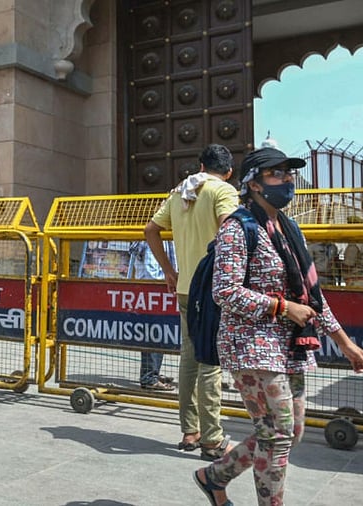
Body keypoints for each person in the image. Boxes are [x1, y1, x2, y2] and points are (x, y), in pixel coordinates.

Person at [192, 147, 363, 506]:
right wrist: (281, 306)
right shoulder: (237, 227)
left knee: (291, 432)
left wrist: (345, 343)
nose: (286, 180)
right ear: (253, 183)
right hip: (251, 345)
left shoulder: (290, 230)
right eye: (276, 174)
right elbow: (225, 291)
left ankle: (214, 477)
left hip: (291, 345)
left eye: (288, 174)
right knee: (276, 436)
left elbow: (313, 297)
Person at [144, 144, 237, 459]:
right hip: (213, 288)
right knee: (210, 361)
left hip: (186, 286)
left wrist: (169, 271)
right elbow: (230, 229)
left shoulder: (182, 190)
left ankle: (190, 432)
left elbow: (151, 229)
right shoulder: (223, 190)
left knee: (189, 357)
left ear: (200, 165)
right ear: (229, 171)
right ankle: (212, 439)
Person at [129, 241, 175, 391]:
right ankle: (149, 376)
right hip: (154, 286)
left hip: (161, 284)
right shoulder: (153, 233)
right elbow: (151, 269)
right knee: (154, 332)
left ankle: (153, 372)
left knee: (160, 331)